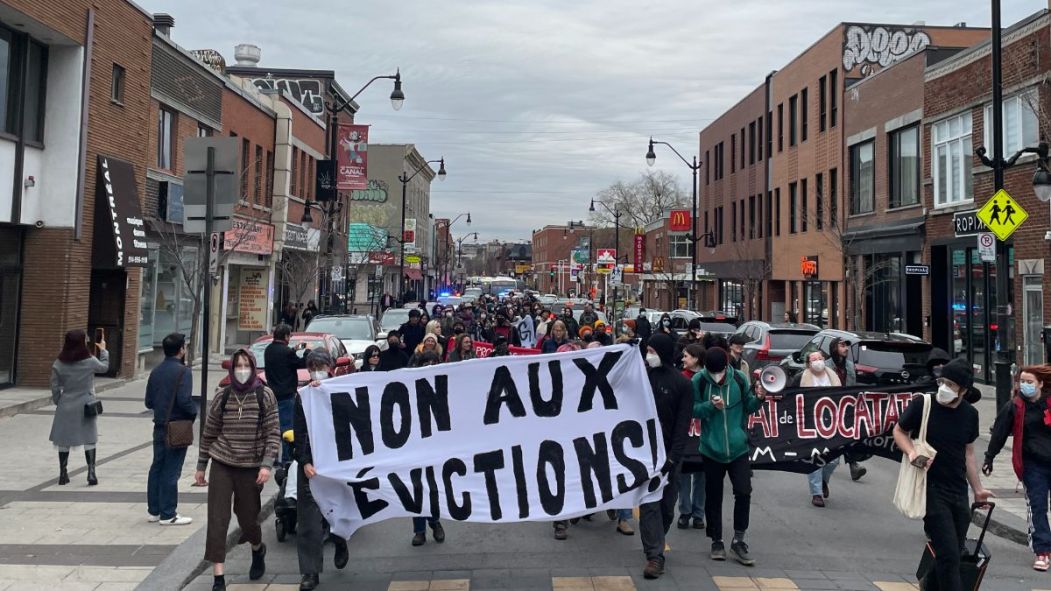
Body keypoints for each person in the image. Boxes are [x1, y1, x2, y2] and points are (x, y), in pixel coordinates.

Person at [892, 358, 993, 591]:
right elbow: (899, 430)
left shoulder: (970, 415)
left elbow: (968, 454)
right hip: (930, 488)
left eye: (951, 384)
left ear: (964, 390)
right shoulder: (923, 404)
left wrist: (978, 489)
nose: (944, 387)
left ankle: (929, 586)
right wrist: (910, 452)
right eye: (942, 381)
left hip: (957, 490)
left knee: (952, 552)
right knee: (949, 554)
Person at [197, 349, 281, 591]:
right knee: (218, 519)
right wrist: (202, 465)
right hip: (222, 462)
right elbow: (209, 432)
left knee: (248, 519)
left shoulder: (265, 395)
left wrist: (266, 465)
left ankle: (257, 548)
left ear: (253, 367)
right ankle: (218, 578)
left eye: (246, 365)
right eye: (238, 365)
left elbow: (273, 433)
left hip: (251, 466)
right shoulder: (223, 395)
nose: (241, 370)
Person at [693, 346, 763, 566]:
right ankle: (716, 540)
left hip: (738, 449)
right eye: (712, 372)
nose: (716, 376)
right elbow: (693, 409)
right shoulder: (699, 381)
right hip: (711, 450)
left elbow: (749, 406)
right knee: (713, 496)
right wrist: (710, 407)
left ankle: (739, 540)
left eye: (719, 372)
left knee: (744, 492)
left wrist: (760, 398)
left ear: (726, 366)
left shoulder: (740, 379)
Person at [984, 365, 1051, 571]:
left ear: (1040, 383)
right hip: (1032, 465)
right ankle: (1042, 551)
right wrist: (990, 458)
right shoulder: (1015, 406)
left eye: (1030, 382)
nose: (1025, 385)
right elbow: (1000, 433)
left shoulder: (1049, 403)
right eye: (1022, 381)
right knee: (1037, 506)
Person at [638, 334, 693, 579]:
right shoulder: (642, 379)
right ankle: (654, 555)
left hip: (671, 455)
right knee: (649, 505)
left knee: (667, 507)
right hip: (645, 455)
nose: (648, 355)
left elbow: (683, 425)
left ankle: (656, 539)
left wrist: (673, 458)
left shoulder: (682, 385)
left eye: (651, 350)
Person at [294, 350, 349, 590]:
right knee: (308, 521)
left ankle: (340, 539)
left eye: (321, 366)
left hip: (337, 465)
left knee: (337, 511)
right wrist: (304, 460)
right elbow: (299, 432)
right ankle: (310, 572)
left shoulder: (343, 391)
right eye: (313, 366)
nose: (317, 371)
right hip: (311, 465)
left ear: (331, 367)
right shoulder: (303, 397)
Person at [144, 332, 197, 525]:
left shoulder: (156, 371)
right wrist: (193, 412)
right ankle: (168, 513)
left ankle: (154, 510)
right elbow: (185, 401)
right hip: (176, 426)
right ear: (181, 350)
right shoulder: (184, 372)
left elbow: (148, 402)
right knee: (171, 470)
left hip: (159, 425)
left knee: (157, 466)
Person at [50, 329, 109, 486]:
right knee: (89, 438)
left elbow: (54, 387)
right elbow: (104, 367)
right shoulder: (89, 360)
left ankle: (63, 473)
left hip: (66, 403)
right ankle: (91, 472)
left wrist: (59, 401)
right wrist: (103, 350)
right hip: (86, 404)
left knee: (63, 439)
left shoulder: (59, 363)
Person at [408, 350, 446, 545]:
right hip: (415, 443)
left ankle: (435, 521)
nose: (430, 365)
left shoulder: (443, 381)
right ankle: (419, 530)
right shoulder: (411, 383)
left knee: (432, 486)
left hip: (435, 444)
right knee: (416, 487)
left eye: (433, 362)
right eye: (426, 362)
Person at [799, 350, 842, 507]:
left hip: (832, 422)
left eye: (819, 358)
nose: (817, 361)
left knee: (833, 459)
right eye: (813, 360)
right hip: (812, 423)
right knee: (815, 457)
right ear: (809, 364)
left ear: (824, 360)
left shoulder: (833, 376)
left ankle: (824, 480)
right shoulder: (803, 377)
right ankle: (816, 493)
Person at [264, 324, 309, 461]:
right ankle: (286, 458)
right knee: (287, 429)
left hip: (272, 394)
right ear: (285, 336)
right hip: (286, 395)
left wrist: (293, 350)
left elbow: (282, 359)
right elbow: (302, 363)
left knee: (273, 428)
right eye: (289, 336)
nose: (290, 339)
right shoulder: (286, 352)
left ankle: (272, 458)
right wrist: (307, 352)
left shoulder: (268, 350)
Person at [828, 337, 866, 482]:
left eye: (847, 346)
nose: (846, 348)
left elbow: (853, 385)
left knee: (847, 435)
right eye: (842, 345)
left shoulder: (850, 366)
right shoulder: (826, 365)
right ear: (834, 348)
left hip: (846, 407)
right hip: (830, 407)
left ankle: (853, 465)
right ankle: (826, 462)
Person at [678, 343, 706, 530]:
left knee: (701, 475)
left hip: (703, 431)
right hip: (686, 431)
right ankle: (685, 511)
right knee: (684, 475)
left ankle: (698, 513)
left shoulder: (706, 379)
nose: (683, 359)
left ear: (695, 358)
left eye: (686, 356)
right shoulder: (681, 378)